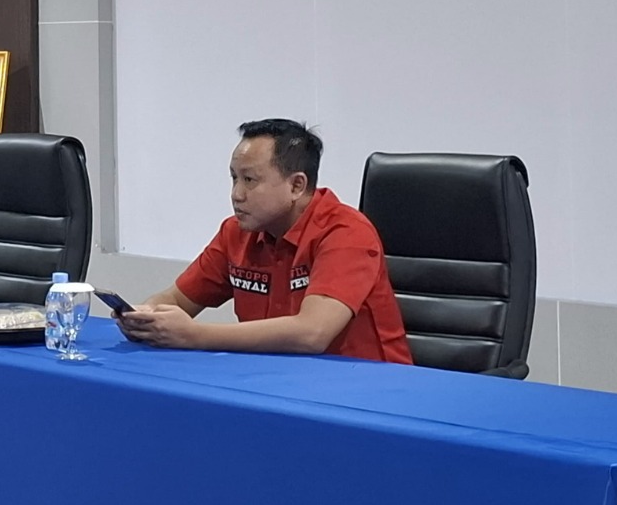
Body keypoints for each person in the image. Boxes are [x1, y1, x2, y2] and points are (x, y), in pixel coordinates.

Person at [117, 119, 411, 364]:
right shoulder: (236, 232)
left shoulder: (346, 232)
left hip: (370, 390)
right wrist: (145, 318)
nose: (236, 194)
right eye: (234, 178)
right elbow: (177, 300)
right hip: (278, 381)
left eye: (249, 180)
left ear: (296, 185)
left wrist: (194, 335)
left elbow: (312, 333)